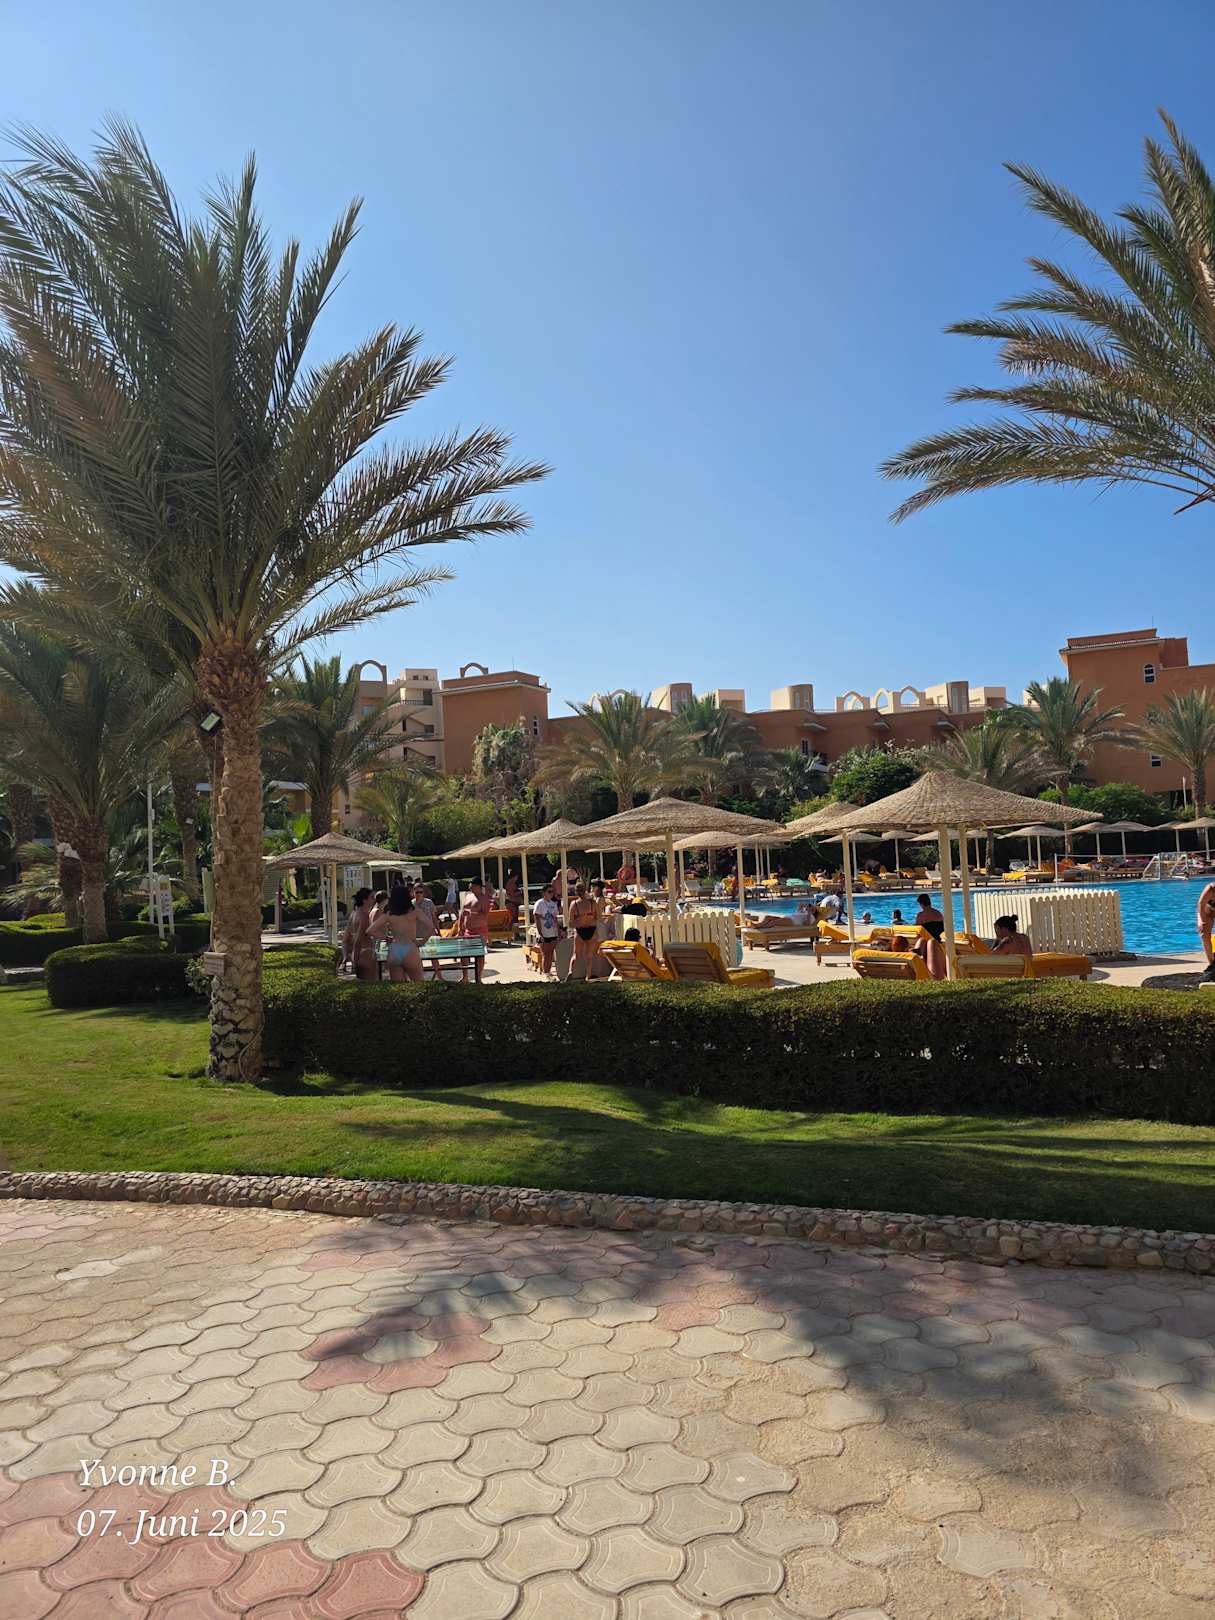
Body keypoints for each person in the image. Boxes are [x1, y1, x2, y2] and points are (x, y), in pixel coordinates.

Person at [367, 886, 423, 982]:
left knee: (398, 987)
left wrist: (386, 937)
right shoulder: (415, 912)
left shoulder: (389, 914)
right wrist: (422, 942)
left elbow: (370, 930)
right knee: (419, 984)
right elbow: (431, 927)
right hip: (410, 947)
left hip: (394, 949)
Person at [457, 877, 493, 983]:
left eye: (472, 885)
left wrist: (471, 912)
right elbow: (462, 912)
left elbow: (485, 914)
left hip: (479, 930)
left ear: (478, 887)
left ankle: (478, 977)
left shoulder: (485, 898)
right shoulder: (468, 896)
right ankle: (465, 977)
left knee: (479, 954)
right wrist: (460, 927)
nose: (470, 887)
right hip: (467, 930)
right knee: (463, 953)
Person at [567, 882, 600, 981]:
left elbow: (570, 923)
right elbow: (598, 918)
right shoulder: (593, 903)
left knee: (576, 955)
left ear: (576, 892)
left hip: (580, 930)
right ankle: (587, 976)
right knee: (589, 956)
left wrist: (580, 921)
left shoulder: (574, 904)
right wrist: (589, 918)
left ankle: (570, 972)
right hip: (591, 929)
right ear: (585, 891)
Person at [341, 888, 376, 979]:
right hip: (366, 953)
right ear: (364, 900)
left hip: (356, 953)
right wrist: (355, 963)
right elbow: (358, 941)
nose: (374, 900)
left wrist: (345, 957)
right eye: (372, 897)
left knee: (363, 983)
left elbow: (345, 939)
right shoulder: (364, 917)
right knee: (371, 983)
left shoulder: (353, 914)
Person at [912, 893, 947, 980]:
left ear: (921, 904)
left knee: (921, 942)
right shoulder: (938, 913)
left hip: (928, 944)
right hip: (939, 942)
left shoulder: (920, 915)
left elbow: (918, 933)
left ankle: (920, 971)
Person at [532, 882, 563, 978]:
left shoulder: (553, 904)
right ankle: (546, 973)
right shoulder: (540, 903)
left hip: (552, 932)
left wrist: (559, 931)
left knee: (551, 954)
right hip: (543, 932)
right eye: (549, 892)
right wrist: (539, 933)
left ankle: (548, 972)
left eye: (553, 892)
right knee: (545, 954)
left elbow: (555, 919)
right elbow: (536, 918)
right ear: (544, 893)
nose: (551, 894)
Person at [1199, 882, 1215, 981]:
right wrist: (1200, 921)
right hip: (1207, 910)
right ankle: (1212, 964)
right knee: (1204, 934)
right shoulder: (1210, 889)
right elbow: (1200, 905)